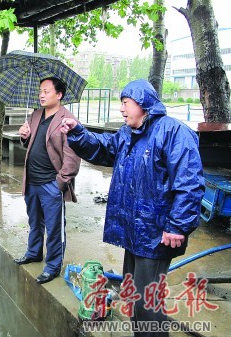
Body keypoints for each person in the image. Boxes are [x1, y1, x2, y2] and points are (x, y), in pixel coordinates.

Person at [60, 79, 204, 336]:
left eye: (126, 103)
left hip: (158, 234)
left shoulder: (172, 133)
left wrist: (177, 226)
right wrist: (77, 132)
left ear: (143, 104)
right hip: (134, 232)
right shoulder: (127, 134)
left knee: (148, 303)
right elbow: (103, 148)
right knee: (133, 295)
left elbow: (190, 185)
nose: (122, 109)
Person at [14, 77, 81, 285]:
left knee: (54, 228)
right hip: (32, 181)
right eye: (40, 91)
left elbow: (73, 156)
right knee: (34, 222)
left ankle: (52, 266)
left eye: (46, 91)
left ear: (59, 95)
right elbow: (31, 143)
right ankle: (34, 252)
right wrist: (24, 136)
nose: (41, 95)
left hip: (51, 184)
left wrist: (61, 182)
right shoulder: (35, 115)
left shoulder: (67, 119)